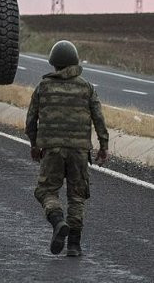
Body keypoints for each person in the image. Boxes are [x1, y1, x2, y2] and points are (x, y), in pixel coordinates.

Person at [25, 40, 109, 257]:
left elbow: (31, 120)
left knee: (46, 191)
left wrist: (34, 144)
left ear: (53, 63)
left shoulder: (43, 87)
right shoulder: (87, 88)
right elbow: (99, 119)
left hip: (51, 150)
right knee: (77, 197)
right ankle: (74, 244)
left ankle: (58, 220)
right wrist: (104, 146)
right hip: (79, 151)